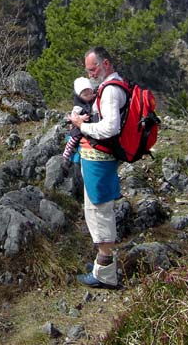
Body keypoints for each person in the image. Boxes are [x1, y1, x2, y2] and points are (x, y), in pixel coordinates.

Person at [69, 46, 127, 289]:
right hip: (97, 157)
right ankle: (101, 264)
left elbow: (111, 128)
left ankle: (105, 273)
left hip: (100, 159)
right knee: (95, 208)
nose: (90, 74)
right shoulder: (111, 86)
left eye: (93, 69)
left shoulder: (111, 90)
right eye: (88, 70)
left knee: (99, 210)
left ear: (105, 64)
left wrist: (82, 128)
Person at [62, 77, 96, 162]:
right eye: (85, 95)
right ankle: (67, 151)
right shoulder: (78, 106)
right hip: (79, 125)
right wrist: (81, 117)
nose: (89, 96)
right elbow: (74, 116)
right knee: (75, 137)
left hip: (90, 124)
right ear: (79, 95)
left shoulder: (93, 99)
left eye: (90, 93)